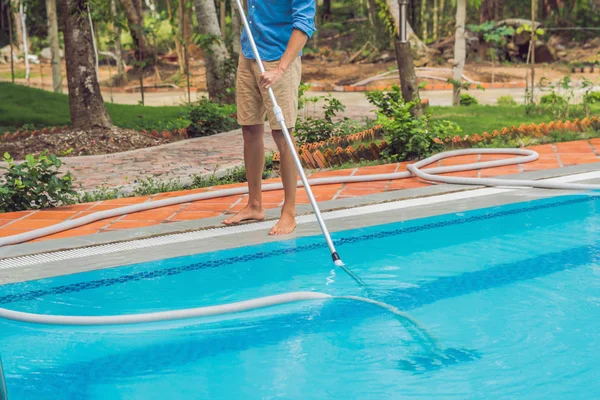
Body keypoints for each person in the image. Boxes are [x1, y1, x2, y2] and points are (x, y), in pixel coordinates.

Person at [223, 0, 316, 236]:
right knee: (249, 128)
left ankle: (289, 211)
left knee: (282, 134)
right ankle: (254, 205)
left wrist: (280, 70)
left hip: (278, 58)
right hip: (249, 54)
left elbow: (304, 25)